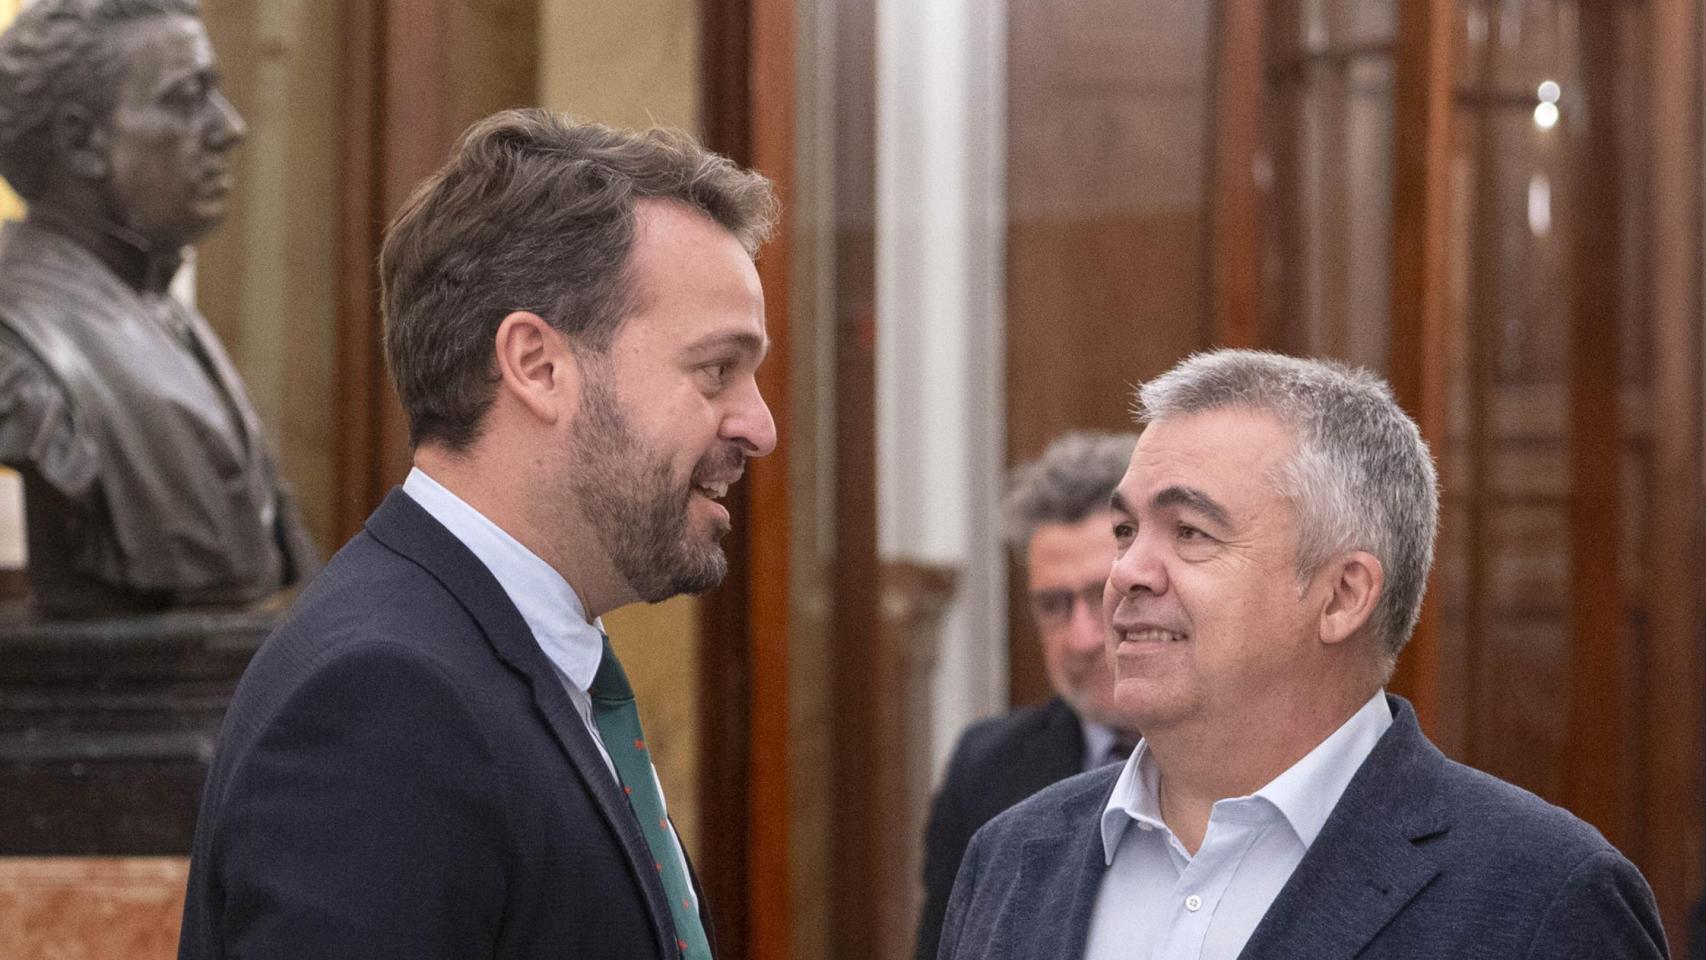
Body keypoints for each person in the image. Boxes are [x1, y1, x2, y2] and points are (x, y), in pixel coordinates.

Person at [177, 109, 778, 960]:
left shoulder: (508, 658)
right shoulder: (384, 698)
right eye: (717, 369)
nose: (759, 425)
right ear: (537, 365)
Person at [938, 350, 1667, 959]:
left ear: (1343, 595)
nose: (1127, 572)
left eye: (1190, 532)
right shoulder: (1011, 858)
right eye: (1128, 530)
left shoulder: (1541, 899)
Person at [0, 0, 320, 615]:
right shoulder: (23, 345)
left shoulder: (159, 310)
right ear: (81, 140)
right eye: (185, 98)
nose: (229, 127)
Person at [914, 430, 1140, 960]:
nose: (1082, 639)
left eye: (1102, 596)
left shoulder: (1244, 755)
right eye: (1054, 606)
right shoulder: (986, 768)